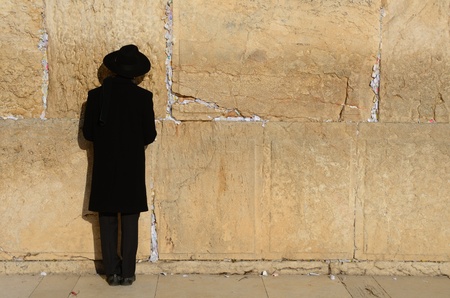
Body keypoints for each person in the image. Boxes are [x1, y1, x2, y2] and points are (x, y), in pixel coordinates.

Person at [82, 44, 157, 286]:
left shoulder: (96, 96)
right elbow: (149, 135)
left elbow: (89, 134)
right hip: (132, 165)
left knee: (107, 217)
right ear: (136, 73)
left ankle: (111, 272)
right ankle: (128, 272)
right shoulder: (143, 98)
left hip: (105, 163)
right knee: (129, 217)